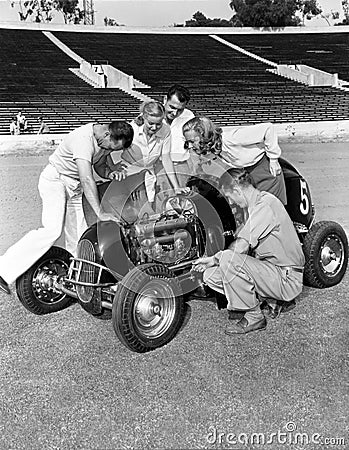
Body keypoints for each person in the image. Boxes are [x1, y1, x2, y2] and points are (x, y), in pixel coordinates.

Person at [0, 121, 134, 295]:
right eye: (111, 147)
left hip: (74, 186)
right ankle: (4, 268)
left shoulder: (105, 140)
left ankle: (77, 281)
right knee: (52, 230)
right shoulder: (83, 139)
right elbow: (87, 178)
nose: (109, 152)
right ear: (107, 134)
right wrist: (100, 213)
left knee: (80, 235)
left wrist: (111, 172)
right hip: (56, 180)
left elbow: (100, 165)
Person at [192, 169, 304, 335]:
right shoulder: (253, 206)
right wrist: (213, 261)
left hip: (287, 278)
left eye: (230, 197)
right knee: (211, 275)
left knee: (229, 259)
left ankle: (254, 316)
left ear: (237, 191)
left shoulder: (265, 205)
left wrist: (217, 258)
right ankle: (268, 298)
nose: (231, 202)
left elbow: (241, 247)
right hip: (270, 271)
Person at [104, 101, 189, 212]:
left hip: (148, 175)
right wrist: (113, 170)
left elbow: (166, 159)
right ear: (144, 117)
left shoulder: (166, 130)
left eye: (158, 124)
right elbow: (107, 149)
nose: (154, 127)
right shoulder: (131, 129)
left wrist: (176, 187)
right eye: (151, 123)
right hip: (128, 173)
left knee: (147, 209)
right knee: (128, 210)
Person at [182, 117, 287, 205]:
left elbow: (268, 128)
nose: (190, 145)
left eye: (192, 141)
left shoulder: (232, 138)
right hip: (248, 175)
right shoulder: (214, 148)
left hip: (265, 171)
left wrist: (274, 159)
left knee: (268, 208)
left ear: (203, 135)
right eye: (188, 142)